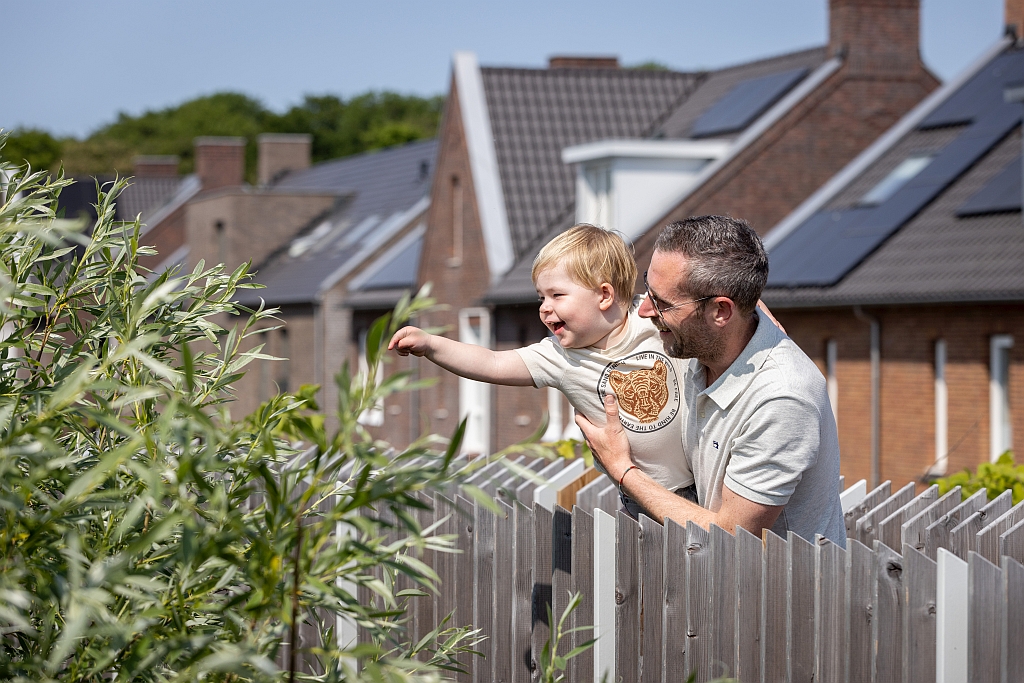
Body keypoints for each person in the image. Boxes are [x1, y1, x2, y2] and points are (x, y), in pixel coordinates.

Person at [575, 215, 845, 545]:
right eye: (648, 288)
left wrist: (621, 468)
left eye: (662, 303)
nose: (643, 311)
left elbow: (731, 533)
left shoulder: (782, 398)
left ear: (721, 312)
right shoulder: (699, 345)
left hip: (777, 592)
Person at [388, 224, 696, 500]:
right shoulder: (558, 357)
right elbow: (492, 362)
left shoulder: (651, 318)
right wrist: (431, 344)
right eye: (541, 298)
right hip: (642, 492)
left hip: (706, 475)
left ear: (604, 295)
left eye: (556, 295)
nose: (545, 309)